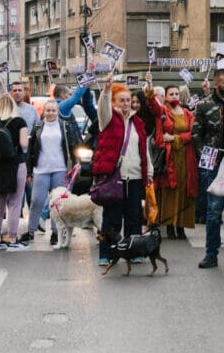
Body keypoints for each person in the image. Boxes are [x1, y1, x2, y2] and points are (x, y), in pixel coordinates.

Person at [94, 74, 152, 266]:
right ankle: (107, 253)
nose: (127, 103)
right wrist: (106, 90)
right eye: (122, 100)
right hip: (114, 177)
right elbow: (102, 108)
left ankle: (134, 252)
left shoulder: (138, 122)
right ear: (114, 102)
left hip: (134, 177)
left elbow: (144, 149)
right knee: (112, 218)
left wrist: (148, 172)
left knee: (134, 217)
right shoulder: (108, 119)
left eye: (129, 100)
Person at [192, 68, 224, 269]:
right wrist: (205, 156)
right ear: (216, 84)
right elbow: (196, 134)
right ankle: (211, 254)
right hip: (215, 160)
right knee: (214, 210)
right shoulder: (204, 105)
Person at [146, 73, 197, 240]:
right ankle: (169, 225)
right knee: (169, 191)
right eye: (171, 94)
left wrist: (175, 138)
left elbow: (193, 134)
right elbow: (151, 104)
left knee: (184, 191)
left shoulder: (188, 114)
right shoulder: (162, 111)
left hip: (186, 156)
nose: (174, 96)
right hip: (169, 158)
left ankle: (181, 226)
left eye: (176, 94)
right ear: (166, 97)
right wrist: (150, 84)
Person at [24, 99, 82, 246]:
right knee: (36, 200)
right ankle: (31, 230)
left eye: (53, 110)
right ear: (44, 111)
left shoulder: (64, 125)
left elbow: (74, 145)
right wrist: (29, 172)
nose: (50, 113)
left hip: (60, 169)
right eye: (48, 110)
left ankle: (56, 233)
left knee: (58, 204)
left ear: (58, 112)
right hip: (41, 169)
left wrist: (76, 163)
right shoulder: (38, 127)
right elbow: (31, 150)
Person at [0, 94, 30, 251]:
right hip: (16, 164)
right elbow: (23, 144)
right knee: (14, 203)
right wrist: (29, 137)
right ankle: (12, 238)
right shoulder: (20, 122)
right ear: (13, 106)